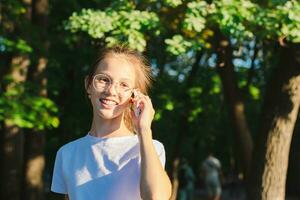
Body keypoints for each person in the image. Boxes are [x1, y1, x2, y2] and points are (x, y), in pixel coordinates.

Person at [50, 45, 172, 200]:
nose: (111, 91)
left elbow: (156, 197)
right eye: (103, 79)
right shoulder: (67, 153)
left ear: (134, 96)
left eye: (124, 85)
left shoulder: (149, 148)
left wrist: (144, 130)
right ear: (88, 85)